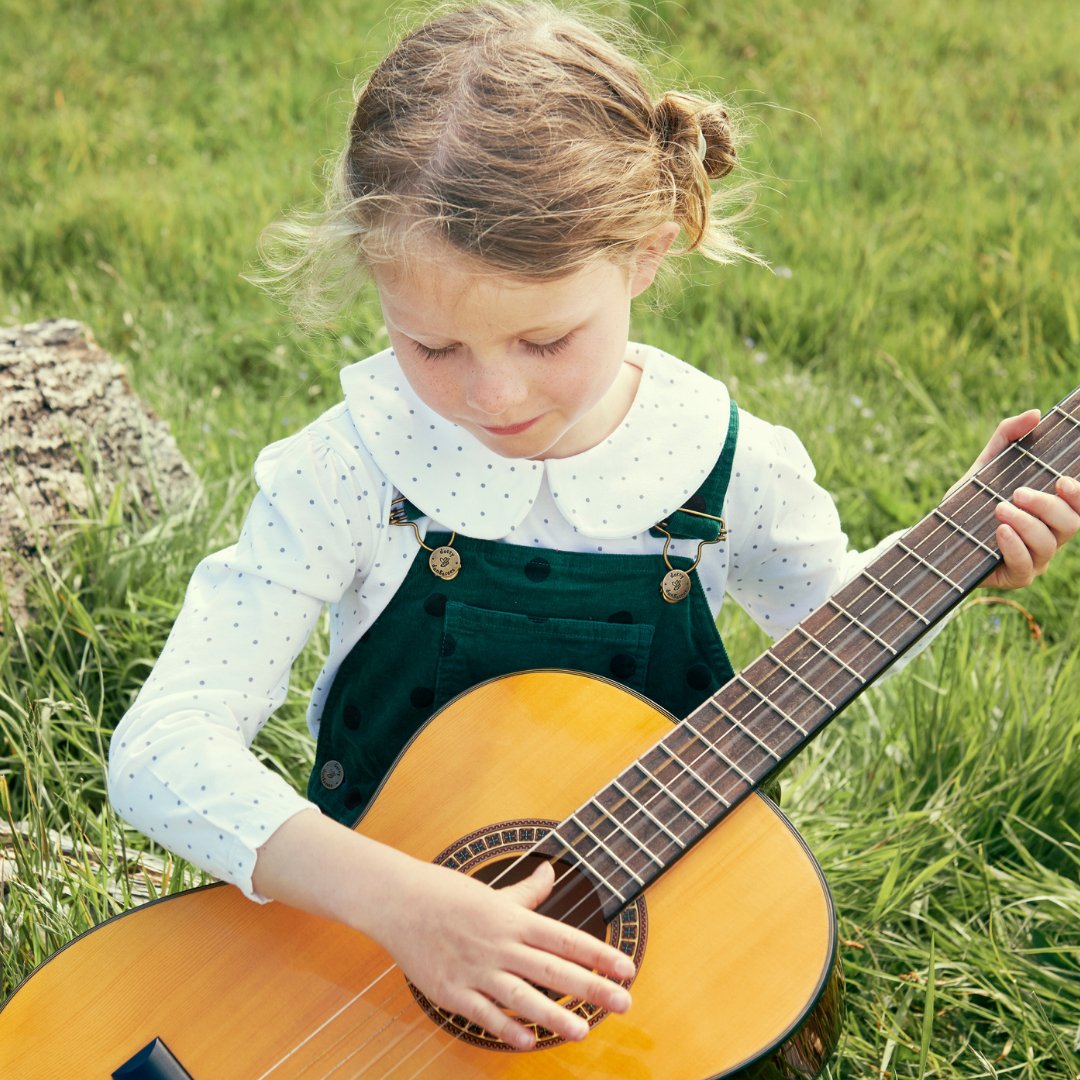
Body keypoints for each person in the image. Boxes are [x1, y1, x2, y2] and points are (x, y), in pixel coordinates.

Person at [107, 0, 1080, 1052]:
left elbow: (830, 628)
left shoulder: (727, 462)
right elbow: (161, 750)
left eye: (545, 337)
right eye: (432, 348)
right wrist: (411, 908)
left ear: (647, 254)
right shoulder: (350, 466)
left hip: (653, 941)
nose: (494, 395)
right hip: (365, 945)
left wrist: (952, 550)